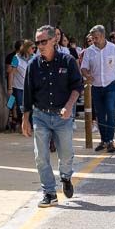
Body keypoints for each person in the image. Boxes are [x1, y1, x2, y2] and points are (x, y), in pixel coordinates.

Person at [22, 25, 83, 207]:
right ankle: (49, 192)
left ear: (53, 40)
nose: (40, 45)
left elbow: (77, 87)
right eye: (37, 42)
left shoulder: (68, 61)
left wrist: (68, 106)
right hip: (40, 116)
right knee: (40, 156)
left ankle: (65, 177)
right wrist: (25, 119)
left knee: (66, 154)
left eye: (43, 41)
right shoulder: (33, 64)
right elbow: (27, 92)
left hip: (62, 117)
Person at [81, 27, 115, 153]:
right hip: (96, 87)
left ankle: (110, 140)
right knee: (100, 115)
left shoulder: (114, 49)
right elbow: (84, 67)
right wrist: (87, 75)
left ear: (102, 36)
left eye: (96, 38)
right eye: (92, 38)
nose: (94, 41)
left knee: (111, 110)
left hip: (111, 85)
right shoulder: (89, 51)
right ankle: (104, 140)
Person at [8, 40, 34, 131]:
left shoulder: (34, 58)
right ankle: (21, 123)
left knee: (31, 107)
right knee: (20, 107)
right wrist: (10, 88)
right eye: (32, 48)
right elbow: (11, 73)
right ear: (26, 48)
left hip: (30, 88)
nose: (34, 49)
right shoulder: (16, 58)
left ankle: (30, 124)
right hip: (18, 87)